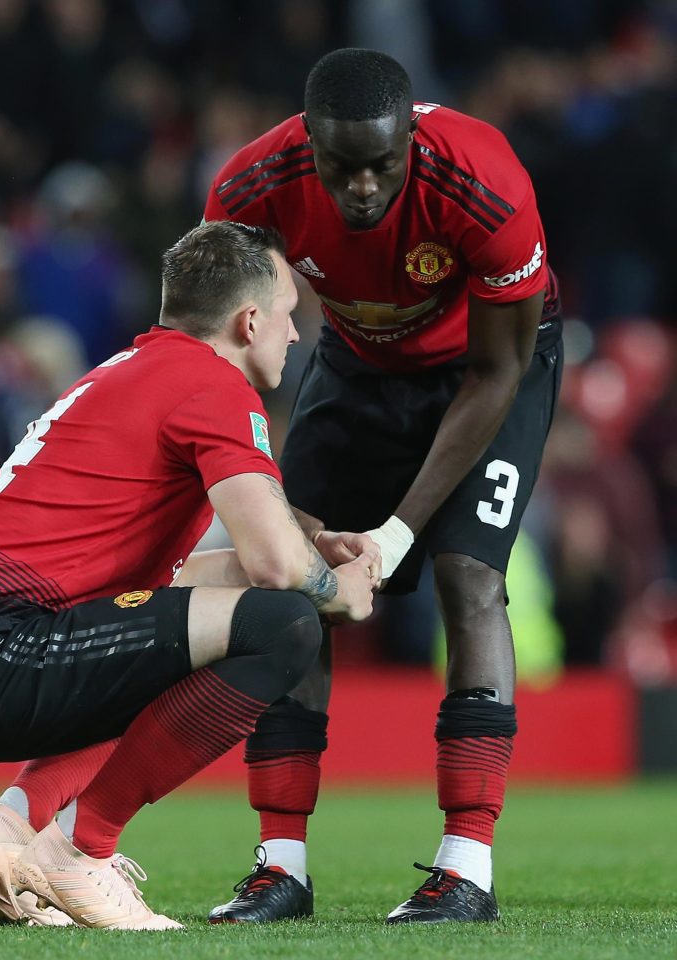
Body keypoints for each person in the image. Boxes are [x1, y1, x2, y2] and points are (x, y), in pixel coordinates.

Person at [0, 220, 379, 931]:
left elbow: (200, 578)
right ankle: (82, 849)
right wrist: (337, 590)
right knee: (285, 626)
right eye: (290, 316)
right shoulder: (212, 385)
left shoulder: (131, 371)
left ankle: (12, 830)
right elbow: (274, 568)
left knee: (194, 633)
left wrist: (312, 552)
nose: (296, 336)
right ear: (249, 320)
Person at [203, 48, 562, 924]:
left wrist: (400, 529)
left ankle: (464, 868)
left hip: (491, 371)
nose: (361, 188)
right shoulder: (249, 189)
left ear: (412, 135)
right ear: (306, 144)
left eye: (380, 165)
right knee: (288, 580)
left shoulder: (485, 182)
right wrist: (263, 495)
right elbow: (217, 355)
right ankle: (278, 868)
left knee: (468, 579)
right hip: (356, 367)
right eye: (340, 167)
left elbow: (496, 369)